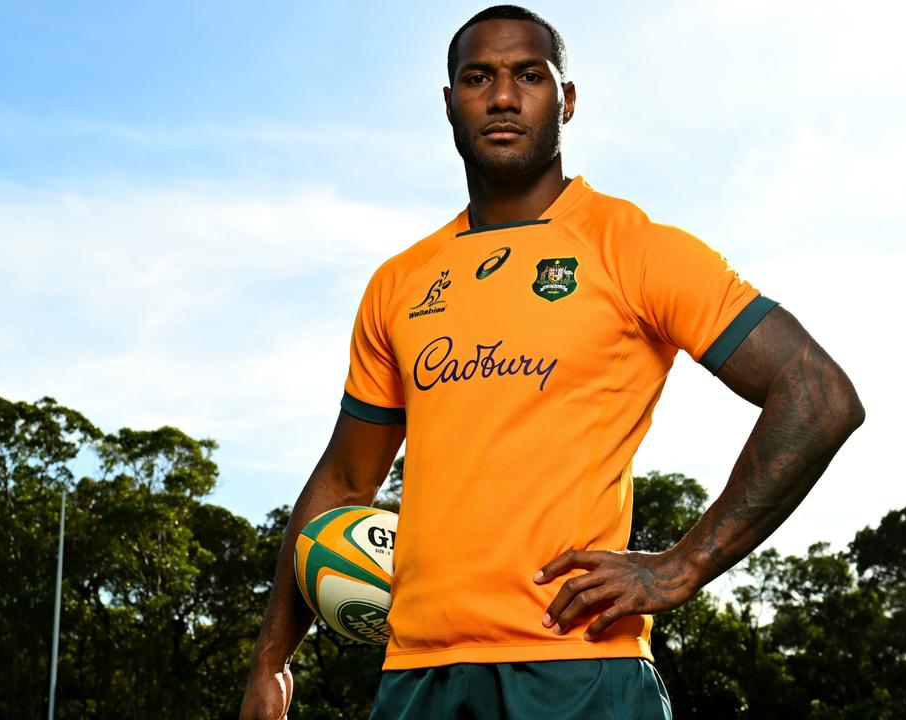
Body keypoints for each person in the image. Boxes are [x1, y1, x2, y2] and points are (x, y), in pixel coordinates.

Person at [240, 5, 864, 719]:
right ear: (449, 105)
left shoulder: (636, 248)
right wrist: (271, 660)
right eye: (478, 78)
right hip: (417, 676)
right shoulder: (400, 282)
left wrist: (683, 565)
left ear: (565, 99)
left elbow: (818, 395)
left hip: (581, 669)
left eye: (528, 76)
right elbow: (347, 477)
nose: (502, 97)